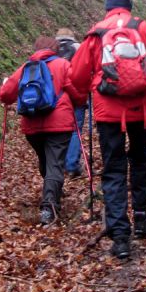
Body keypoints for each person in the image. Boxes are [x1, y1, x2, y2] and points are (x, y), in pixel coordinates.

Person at [69, 0, 146, 259]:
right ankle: (140, 218)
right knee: (139, 157)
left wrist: (83, 97)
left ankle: (120, 238)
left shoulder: (96, 33)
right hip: (142, 109)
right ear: (130, 5)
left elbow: (77, 77)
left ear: (107, 6)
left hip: (107, 113)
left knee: (114, 168)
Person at [0, 35, 83, 226]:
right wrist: (80, 101)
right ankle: (49, 207)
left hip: (32, 125)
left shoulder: (26, 68)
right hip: (59, 124)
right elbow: (77, 92)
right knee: (54, 164)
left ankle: (52, 191)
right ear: (55, 49)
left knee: (46, 161)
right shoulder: (63, 65)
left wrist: (3, 89)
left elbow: (5, 95)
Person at [55, 27, 87, 178]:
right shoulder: (79, 48)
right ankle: (72, 165)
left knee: (57, 130)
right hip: (76, 94)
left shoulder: (52, 49)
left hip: (56, 96)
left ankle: (57, 164)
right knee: (75, 129)